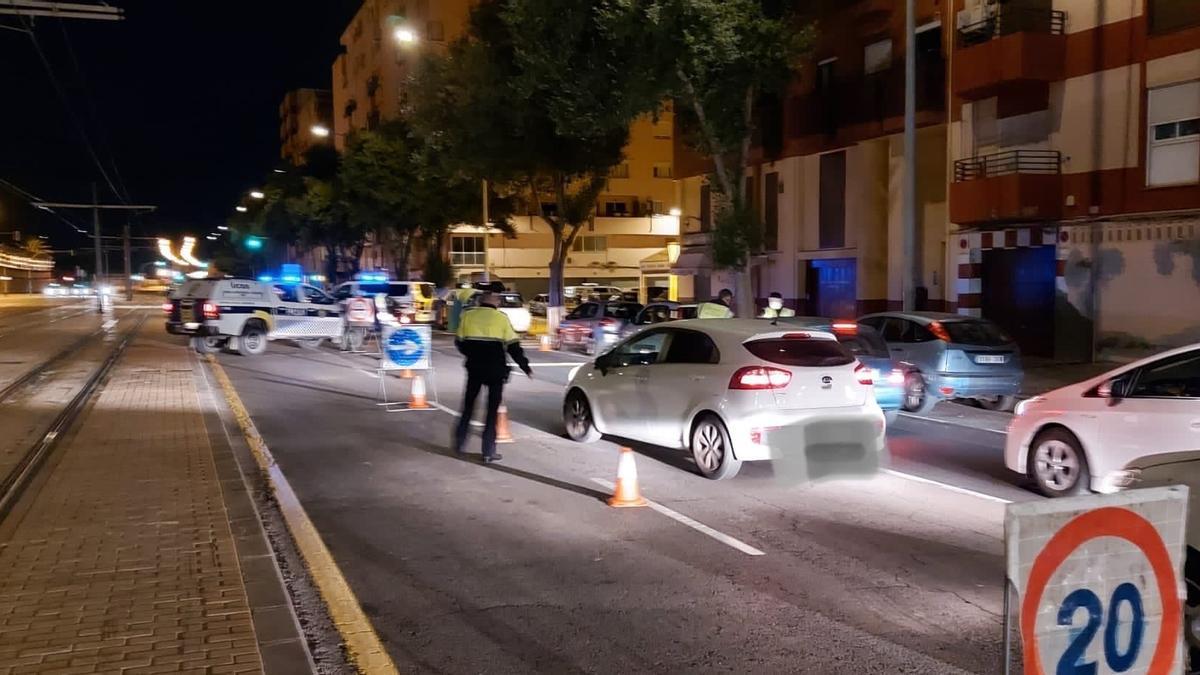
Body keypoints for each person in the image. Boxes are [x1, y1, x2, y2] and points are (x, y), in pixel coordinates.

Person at [453, 291, 532, 463]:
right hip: (496, 371)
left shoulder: (468, 316)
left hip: (474, 369)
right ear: (493, 302)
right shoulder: (501, 318)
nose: (498, 301)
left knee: (468, 406)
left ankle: (459, 444)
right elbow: (513, 347)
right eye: (497, 299)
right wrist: (525, 367)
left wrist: (472, 355)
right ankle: (488, 452)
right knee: (491, 412)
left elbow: (459, 342)